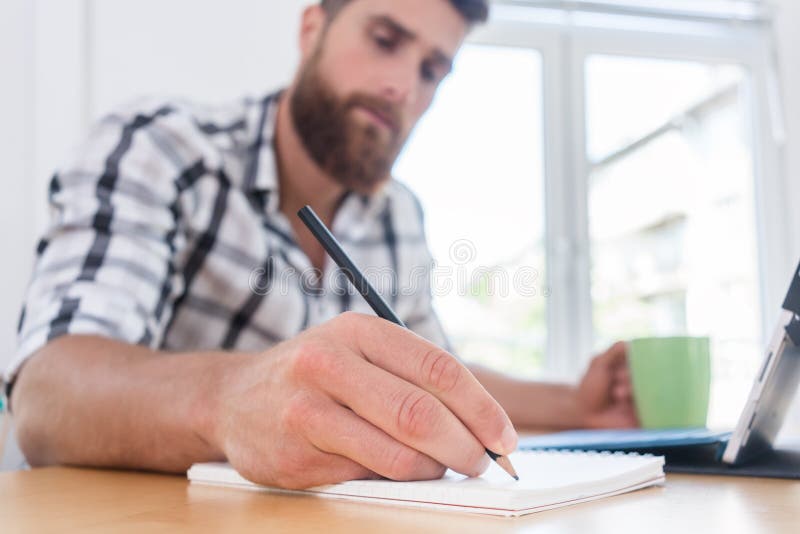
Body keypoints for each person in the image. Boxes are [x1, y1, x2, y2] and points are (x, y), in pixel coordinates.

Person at [5, 0, 637, 490]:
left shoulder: (397, 215)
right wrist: (232, 399)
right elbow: (46, 397)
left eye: (431, 71)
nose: (401, 87)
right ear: (312, 30)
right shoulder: (162, 150)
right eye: (384, 40)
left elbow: (434, 374)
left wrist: (575, 403)